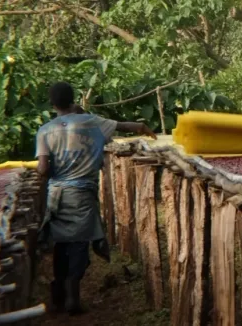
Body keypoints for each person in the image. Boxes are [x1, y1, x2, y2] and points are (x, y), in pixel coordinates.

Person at [36, 82, 156, 315]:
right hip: (82, 194)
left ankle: (59, 292)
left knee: (61, 244)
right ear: (73, 100)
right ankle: (73, 295)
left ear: (52, 104)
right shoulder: (92, 121)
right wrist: (144, 128)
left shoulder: (45, 130)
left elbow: (42, 169)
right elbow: (127, 126)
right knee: (80, 243)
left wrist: (54, 172)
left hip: (57, 196)